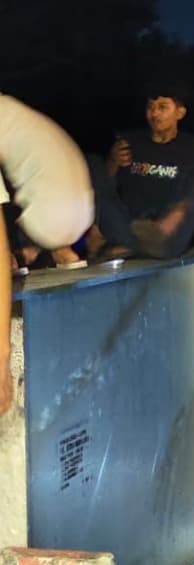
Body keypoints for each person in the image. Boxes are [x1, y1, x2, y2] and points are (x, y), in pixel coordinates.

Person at [0, 95, 95, 415]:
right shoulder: (13, 111)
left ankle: (31, 251)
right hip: (78, 206)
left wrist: (2, 354)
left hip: (51, 215)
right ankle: (56, 252)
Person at [87, 83, 194, 260]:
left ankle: (140, 242)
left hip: (167, 234)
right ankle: (125, 243)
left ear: (180, 113)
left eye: (162, 107)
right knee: (93, 161)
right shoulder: (131, 142)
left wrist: (176, 215)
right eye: (150, 107)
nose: (154, 114)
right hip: (128, 227)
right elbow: (107, 187)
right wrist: (113, 161)